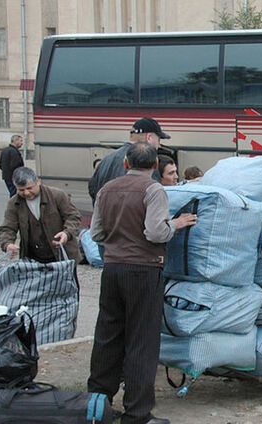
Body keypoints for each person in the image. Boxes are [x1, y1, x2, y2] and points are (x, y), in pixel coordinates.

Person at [87, 142, 196, 424]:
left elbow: (96, 233)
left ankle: (98, 403)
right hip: (143, 270)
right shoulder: (153, 190)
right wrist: (178, 223)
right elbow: (156, 232)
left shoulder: (106, 189)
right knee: (141, 341)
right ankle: (137, 413)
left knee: (107, 335)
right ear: (155, 167)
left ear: (125, 164)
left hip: (112, 269)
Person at [0, 167, 81, 264]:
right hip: (32, 258)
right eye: (21, 190)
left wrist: (67, 233)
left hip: (63, 255)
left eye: (29, 188)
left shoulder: (57, 195)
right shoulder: (13, 203)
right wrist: (7, 244)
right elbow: (8, 227)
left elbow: (73, 217)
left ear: (38, 181)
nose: (26, 193)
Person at [88, 117, 170, 205]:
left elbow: (93, 189)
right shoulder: (147, 161)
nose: (159, 145)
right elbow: (152, 198)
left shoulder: (106, 159)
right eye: (158, 139)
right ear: (149, 137)